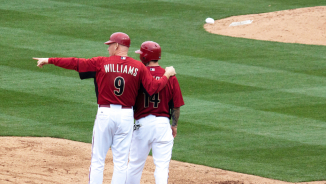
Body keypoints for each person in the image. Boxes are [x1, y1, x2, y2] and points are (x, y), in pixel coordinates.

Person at [33, 32, 176, 184]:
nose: (108, 48)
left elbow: (75, 63)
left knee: (97, 160)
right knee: (121, 163)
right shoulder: (139, 66)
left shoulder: (101, 62)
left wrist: (49, 60)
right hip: (126, 116)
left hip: (105, 114)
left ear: (116, 46)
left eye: (109, 45)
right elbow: (154, 88)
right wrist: (166, 74)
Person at [126, 41, 184, 184]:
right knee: (162, 168)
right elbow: (176, 106)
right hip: (162, 125)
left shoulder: (137, 76)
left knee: (134, 165)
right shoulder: (170, 75)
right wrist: (174, 126)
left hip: (141, 125)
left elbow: (128, 102)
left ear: (145, 57)